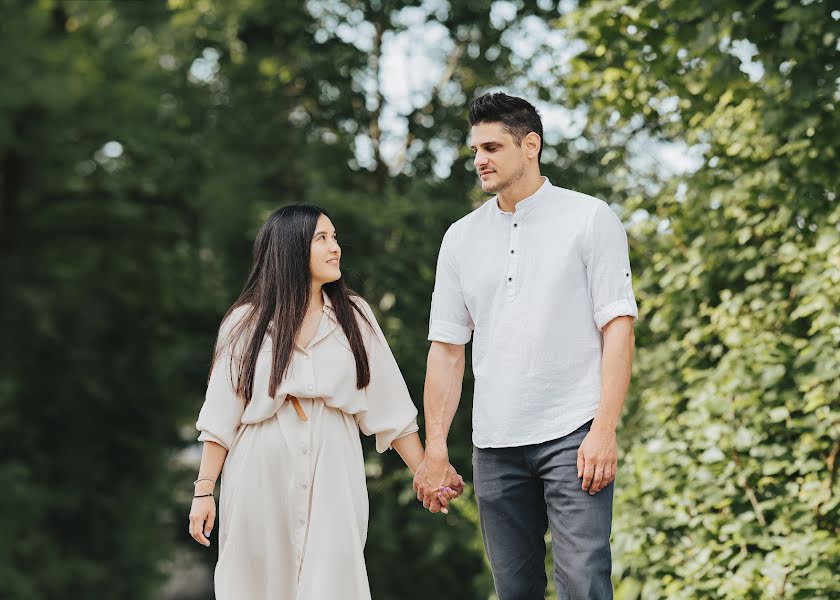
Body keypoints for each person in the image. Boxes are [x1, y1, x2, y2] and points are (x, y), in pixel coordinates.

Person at [413, 92, 638, 599]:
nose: (479, 160)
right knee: (514, 592)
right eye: (474, 150)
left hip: (574, 436)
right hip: (494, 445)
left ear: (530, 145)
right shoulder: (460, 238)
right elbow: (447, 349)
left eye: (491, 147)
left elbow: (618, 327)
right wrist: (434, 448)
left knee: (584, 585)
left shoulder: (589, 218)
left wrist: (604, 429)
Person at [188, 204, 464, 600]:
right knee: (257, 581)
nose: (335, 248)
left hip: (335, 463)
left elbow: (391, 410)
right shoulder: (244, 322)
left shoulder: (354, 317)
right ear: (290, 248)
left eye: (334, 238)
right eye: (322, 238)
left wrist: (428, 473)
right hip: (260, 464)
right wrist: (203, 491)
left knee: (334, 580)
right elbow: (219, 415)